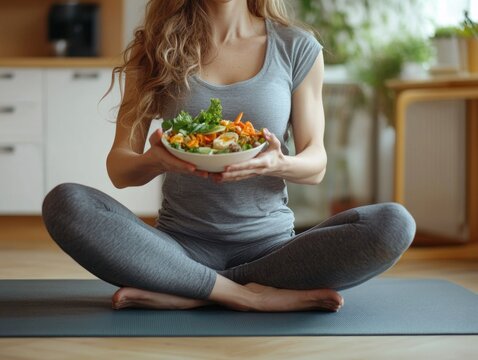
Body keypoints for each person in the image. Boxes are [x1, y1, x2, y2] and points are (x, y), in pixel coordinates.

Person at [42, 0, 416, 312]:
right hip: (178, 247)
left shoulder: (296, 47)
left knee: (394, 223)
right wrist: (157, 160)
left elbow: (315, 164)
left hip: (271, 252)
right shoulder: (153, 49)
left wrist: (278, 163)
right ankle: (241, 295)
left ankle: (192, 290)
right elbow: (120, 169)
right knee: (65, 203)